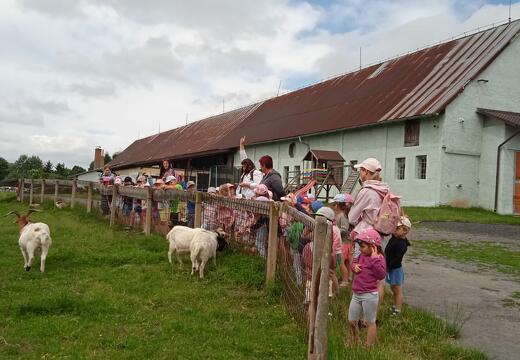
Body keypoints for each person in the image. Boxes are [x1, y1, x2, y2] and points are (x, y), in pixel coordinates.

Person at [348, 228, 386, 347]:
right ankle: (355, 340)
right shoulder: (362, 255)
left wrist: (374, 259)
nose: (360, 249)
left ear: (373, 246)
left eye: (363, 246)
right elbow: (353, 262)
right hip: (356, 294)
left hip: (369, 295)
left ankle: (369, 345)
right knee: (352, 321)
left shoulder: (378, 258)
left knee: (370, 322)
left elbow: (381, 274)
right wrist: (354, 267)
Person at [348, 158, 389, 259]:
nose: (360, 173)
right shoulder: (384, 189)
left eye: (361, 170)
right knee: (375, 266)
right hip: (379, 235)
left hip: (365, 236)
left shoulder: (366, 191)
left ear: (366, 172)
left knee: (361, 268)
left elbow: (352, 218)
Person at [384, 216, 412, 316]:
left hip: (395, 269)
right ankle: (395, 305)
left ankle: (398, 308)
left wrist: (388, 266)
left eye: (397, 228)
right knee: (393, 288)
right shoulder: (395, 237)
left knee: (397, 289)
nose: (394, 230)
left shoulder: (401, 244)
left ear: (405, 231)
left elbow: (397, 259)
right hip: (391, 267)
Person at [330, 194, 351, 287]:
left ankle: (345, 280)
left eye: (334, 204)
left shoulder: (342, 216)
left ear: (337, 204)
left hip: (344, 243)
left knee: (342, 263)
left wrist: (335, 230)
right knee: (345, 263)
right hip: (345, 243)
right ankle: (346, 277)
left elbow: (345, 228)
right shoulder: (340, 215)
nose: (333, 206)